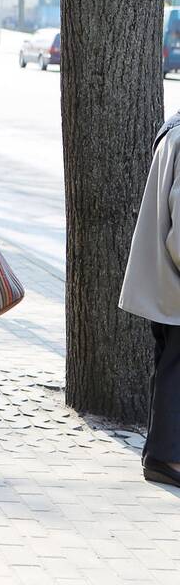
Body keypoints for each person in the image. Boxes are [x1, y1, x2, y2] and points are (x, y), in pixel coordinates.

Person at [119, 112, 180, 488]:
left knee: (171, 366)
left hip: (164, 281)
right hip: (173, 281)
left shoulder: (175, 127)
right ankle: (166, 458)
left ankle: (163, 454)